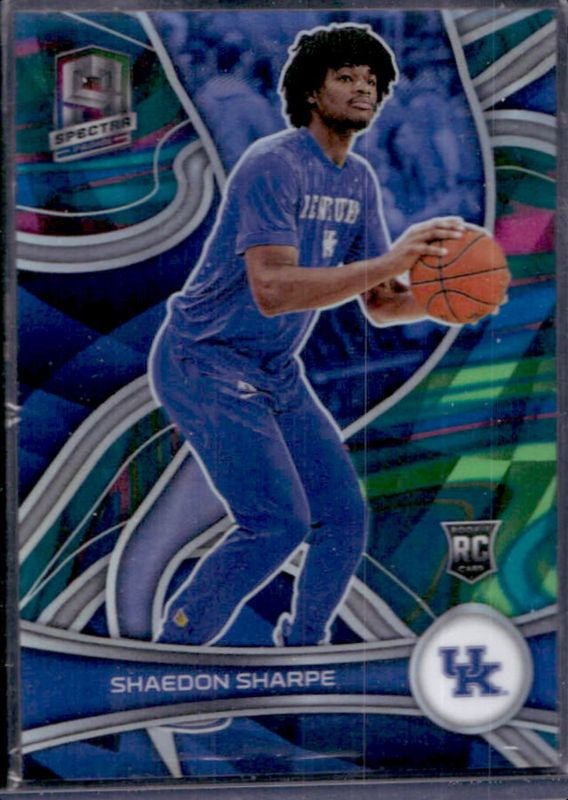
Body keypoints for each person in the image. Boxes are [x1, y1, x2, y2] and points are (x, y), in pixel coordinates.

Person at [150, 23, 465, 647]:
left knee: (343, 519)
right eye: (346, 77)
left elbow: (380, 303)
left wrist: (447, 302)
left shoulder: (359, 179)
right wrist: (392, 259)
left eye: (372, 80)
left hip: (272, 369)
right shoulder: (274, 164)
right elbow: (272, 290)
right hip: (204, 359)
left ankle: (304, 646)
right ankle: (174, 649)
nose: (364, 89)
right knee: (276, 523)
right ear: (312, 93)